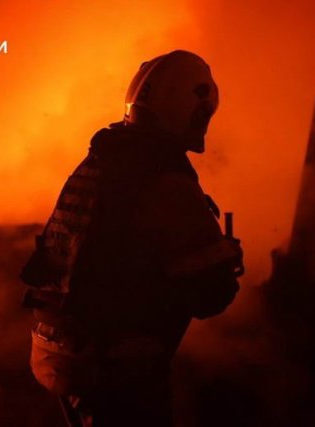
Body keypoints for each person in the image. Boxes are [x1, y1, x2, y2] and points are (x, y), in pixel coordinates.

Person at [20, 50, 243, 427]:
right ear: (190, 109)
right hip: (116, 364)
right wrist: (223, 260)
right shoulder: (164, 179)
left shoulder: (98, 161)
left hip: (58, 351)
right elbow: (212, 295)